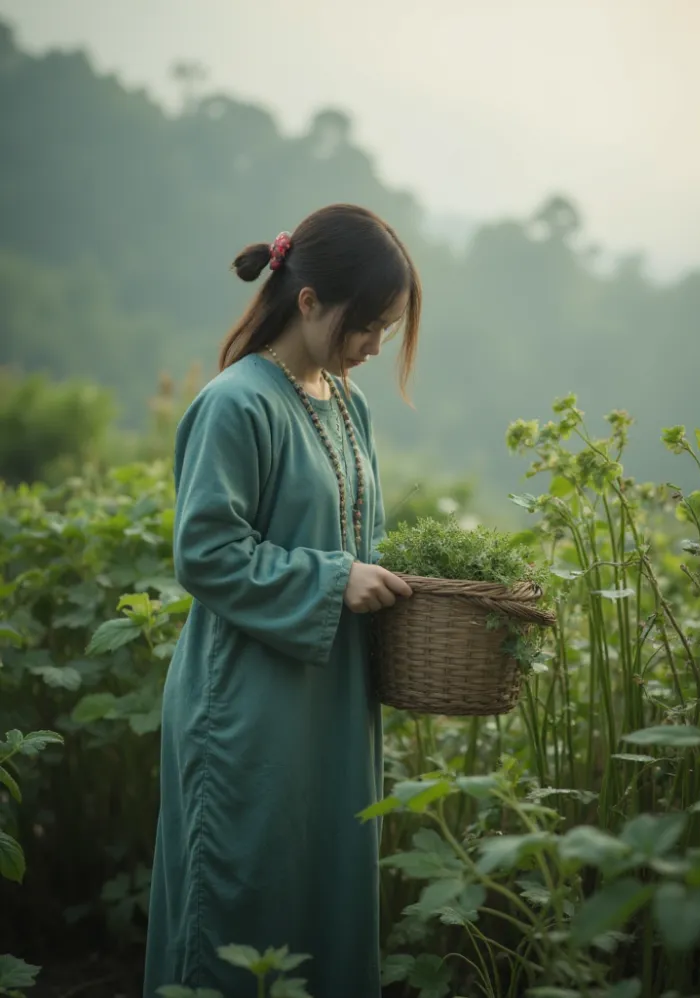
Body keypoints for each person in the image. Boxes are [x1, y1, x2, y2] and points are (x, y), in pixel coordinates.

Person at [143, 204, 422, 998]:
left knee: (323, 895)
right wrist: (335, 580)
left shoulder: (346, 402)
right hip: (247, 707)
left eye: (386, 331)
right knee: (241, 903)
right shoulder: (237, 404)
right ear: (308, 302)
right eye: (366, 326)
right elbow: (206, 553)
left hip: (332, 703)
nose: (373, 347)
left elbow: (352, 533)